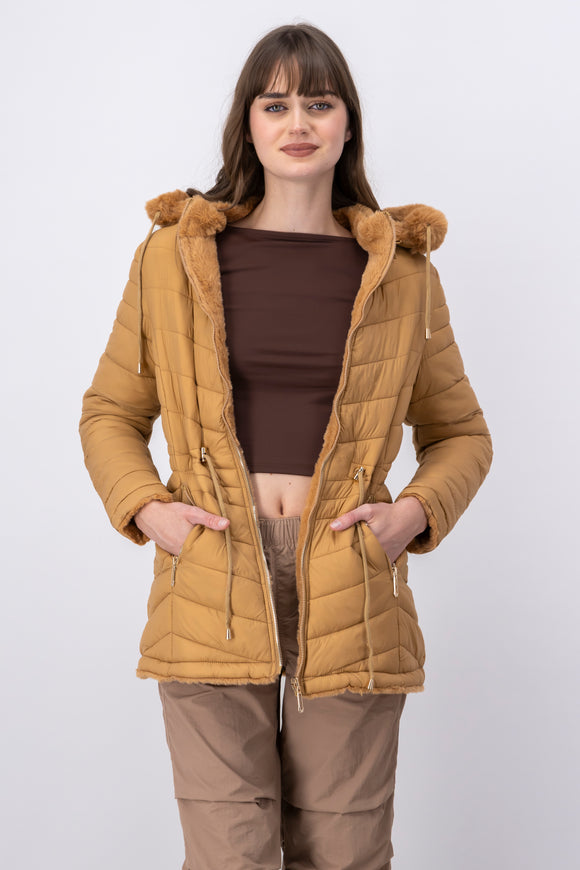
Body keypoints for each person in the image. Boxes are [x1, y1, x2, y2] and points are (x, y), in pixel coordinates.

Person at [79, 21, 492, 870]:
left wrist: (409, 516)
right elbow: (110, 412)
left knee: (344, 850)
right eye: (275, 104)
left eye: (319, 102)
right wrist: (151, 512)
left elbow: (460, 434)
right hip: (211, 569)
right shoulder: (172, 258)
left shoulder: (402, 274)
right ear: (249, 123)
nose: (297, 121)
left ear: (347, 124)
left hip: (351, 578)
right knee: (228, 854)